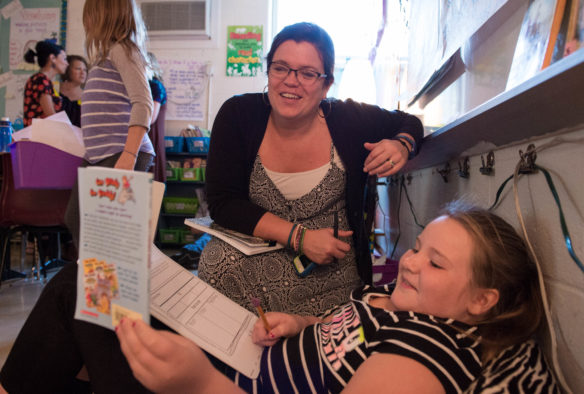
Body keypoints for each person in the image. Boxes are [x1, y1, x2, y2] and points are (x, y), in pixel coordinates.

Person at [0, 202, 553, 393]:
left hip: (220, 383)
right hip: (238, 354)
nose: (409, 262)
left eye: (435, 263)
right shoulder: (403, 301)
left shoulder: (432, 345)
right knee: (93, 282)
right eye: (418, 247)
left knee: (80, 289)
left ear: (482, 301)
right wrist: (302, 323)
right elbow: (346, 340)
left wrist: (199, 383)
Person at [199, 22, 424, 316]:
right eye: (280, 68)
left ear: (326, 83)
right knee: (214, 259)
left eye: (307, 73)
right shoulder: (238, 115)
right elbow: (222, 203)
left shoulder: (348, 118)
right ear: (268, 72)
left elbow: (409, 123)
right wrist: (299, 237)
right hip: (255, 264)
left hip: (328, 271)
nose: (291, 81)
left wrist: (402, 144)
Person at [63, 0, 155, 249]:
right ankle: (101, 281)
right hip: (100, 155)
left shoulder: (122, 50)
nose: (87, 23)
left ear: (104, 16)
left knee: (106, 233)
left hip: (120, 154)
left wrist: (129, 154)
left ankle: (111, 284)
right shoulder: (105, 58)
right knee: (76, 219)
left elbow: (143, 103)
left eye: (90, 16)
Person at [22, 39, 68, 127]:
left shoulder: (43, 80)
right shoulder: (41, 80)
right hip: (39, 136)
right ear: (53, 58)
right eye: (64, 59)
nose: (67, 63)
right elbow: (50, 114)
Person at [147, 52, 168, 182]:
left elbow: (151, 118)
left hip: (151, 134)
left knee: (152, 177)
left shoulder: (155, 85)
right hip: (146, 134)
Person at [59, 55, 88, 127]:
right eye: (78, 69)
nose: (82, 73)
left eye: (85, 70)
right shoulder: (55, 91)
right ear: (67, 70)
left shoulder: (87, 96)